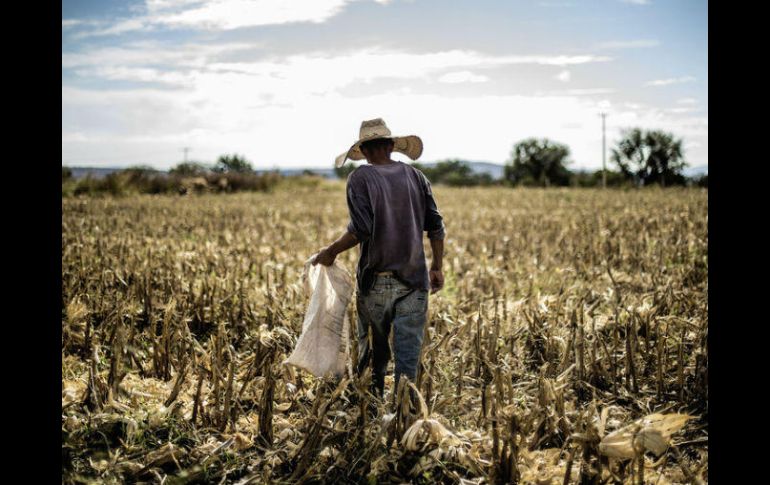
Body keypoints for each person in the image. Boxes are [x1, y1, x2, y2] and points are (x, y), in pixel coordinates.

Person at [312, 118, 446, 398]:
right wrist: (436, 267)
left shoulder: (360, 178)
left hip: (376, 281)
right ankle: (405, 410)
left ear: (364, 150)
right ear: (391, 146)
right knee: (408, 357)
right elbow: (436, 225)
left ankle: (370, 408)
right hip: (414, 281)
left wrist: (330, 252)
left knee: (373, 355)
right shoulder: (416, 176)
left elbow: (361, 229)